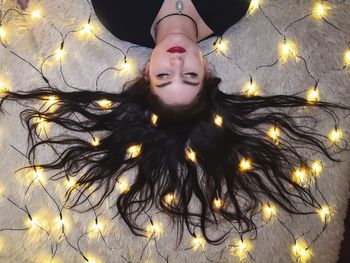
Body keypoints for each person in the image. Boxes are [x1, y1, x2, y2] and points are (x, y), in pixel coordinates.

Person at [4, 0, 348, 246]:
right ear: (208, 71)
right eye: (191, 76)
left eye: (165, 76)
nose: (178, 62)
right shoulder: (230, 8)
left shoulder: (118, 15)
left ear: (145, 72)